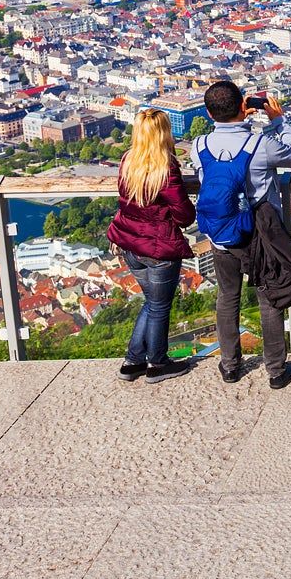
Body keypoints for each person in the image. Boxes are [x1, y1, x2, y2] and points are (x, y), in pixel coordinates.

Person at [192, 80, 291, 390]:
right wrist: (278, 121)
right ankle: (276, 370)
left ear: (208, 113)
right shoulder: (260, 144)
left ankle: (230, 366)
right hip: (259, 236)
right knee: (269, 298)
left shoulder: (199, 146)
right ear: (243, 107)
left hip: (221, 236)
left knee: (227, 298)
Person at [109, 109, 196, 383]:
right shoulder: (165, 168)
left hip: (130, 245)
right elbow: (184, 214)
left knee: (152, 303)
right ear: (163, 134)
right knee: (159, 307)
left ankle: (133, 361)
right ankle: (157, 364)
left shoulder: (128, 160)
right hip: (159, 248)